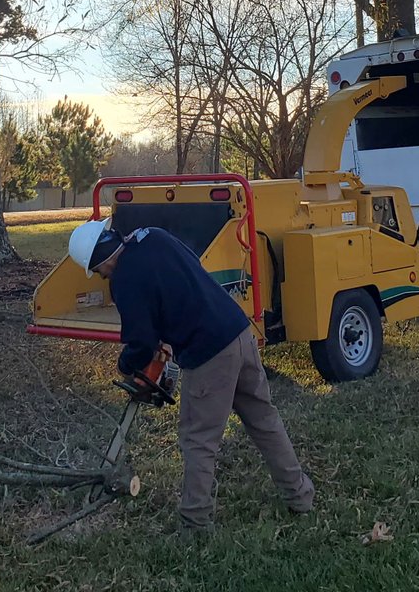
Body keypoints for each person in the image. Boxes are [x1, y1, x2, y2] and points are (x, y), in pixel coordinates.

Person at [68, 219, 314, 530]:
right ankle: (300, 496)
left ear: (99, 259)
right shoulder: (153, 235)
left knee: (198, 440)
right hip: (239, 333)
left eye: (99, 270)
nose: (102, 276)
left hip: (209, 353)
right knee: (265, 420)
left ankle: (194, 521)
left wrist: (126, 367)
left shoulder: (125, 279)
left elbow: (141, 342)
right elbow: (186, 271)